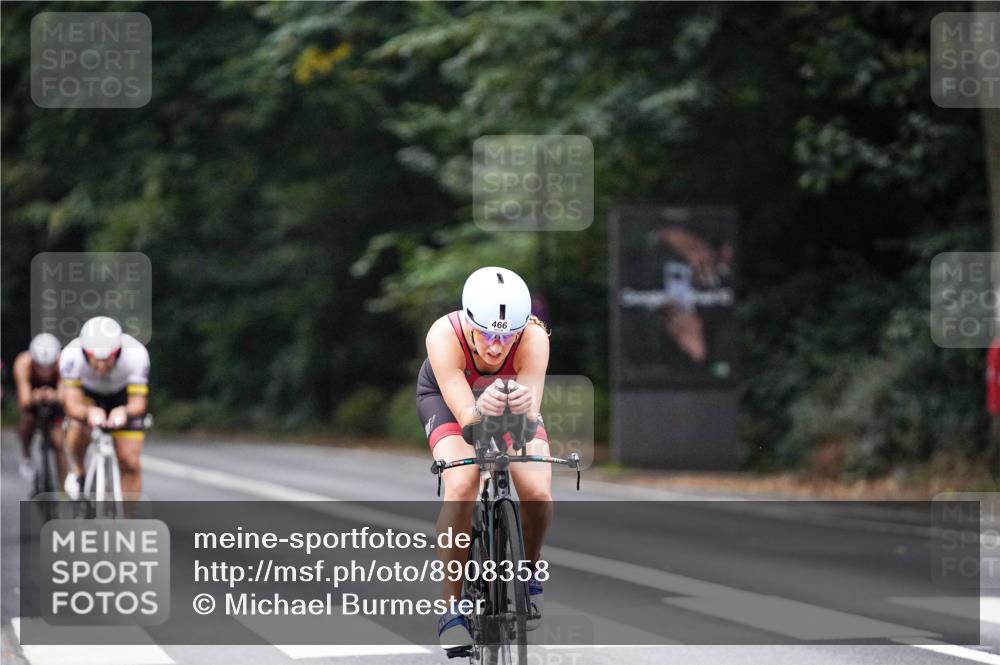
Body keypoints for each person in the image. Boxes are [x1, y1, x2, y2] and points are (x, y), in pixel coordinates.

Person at [416, 266, 552, 652]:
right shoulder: (444, 335)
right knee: (462, 483)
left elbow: (525, 423)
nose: (496, 346)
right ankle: (451, 608)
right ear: (469, 322)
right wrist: (479, 412)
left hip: (510, 402)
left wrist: (519, 412)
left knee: (537, 490)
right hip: (451, 401)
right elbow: (469, 421)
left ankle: (527, 568)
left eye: (506, 337)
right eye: (487, 334)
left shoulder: (534, 337)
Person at [59, 316, 150, 500]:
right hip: (88, 396)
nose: (101, 365)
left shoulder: (136, 354)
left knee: (130, 462)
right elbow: (71, 404)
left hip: (122, 396)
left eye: (107, 359)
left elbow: (138, 402)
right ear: (86, 351)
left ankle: (127, 517)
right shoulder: (71, 355)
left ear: (117, 350)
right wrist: (87, 412)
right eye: (96, 359)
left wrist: (125, 411)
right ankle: (78, 472)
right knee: (76, 427)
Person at [13, 333, 64, 480]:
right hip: (32, 397)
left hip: (55, 399)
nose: (45, 372)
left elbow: (64, 396)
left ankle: (62, 485)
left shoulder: (63, 362)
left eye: (49, 367)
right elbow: (24, 400)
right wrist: (35, 397)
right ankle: (26, 455)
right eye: (40, 366)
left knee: (59, 440)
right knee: (26, 424)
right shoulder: (23, 362)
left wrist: (54, 396)